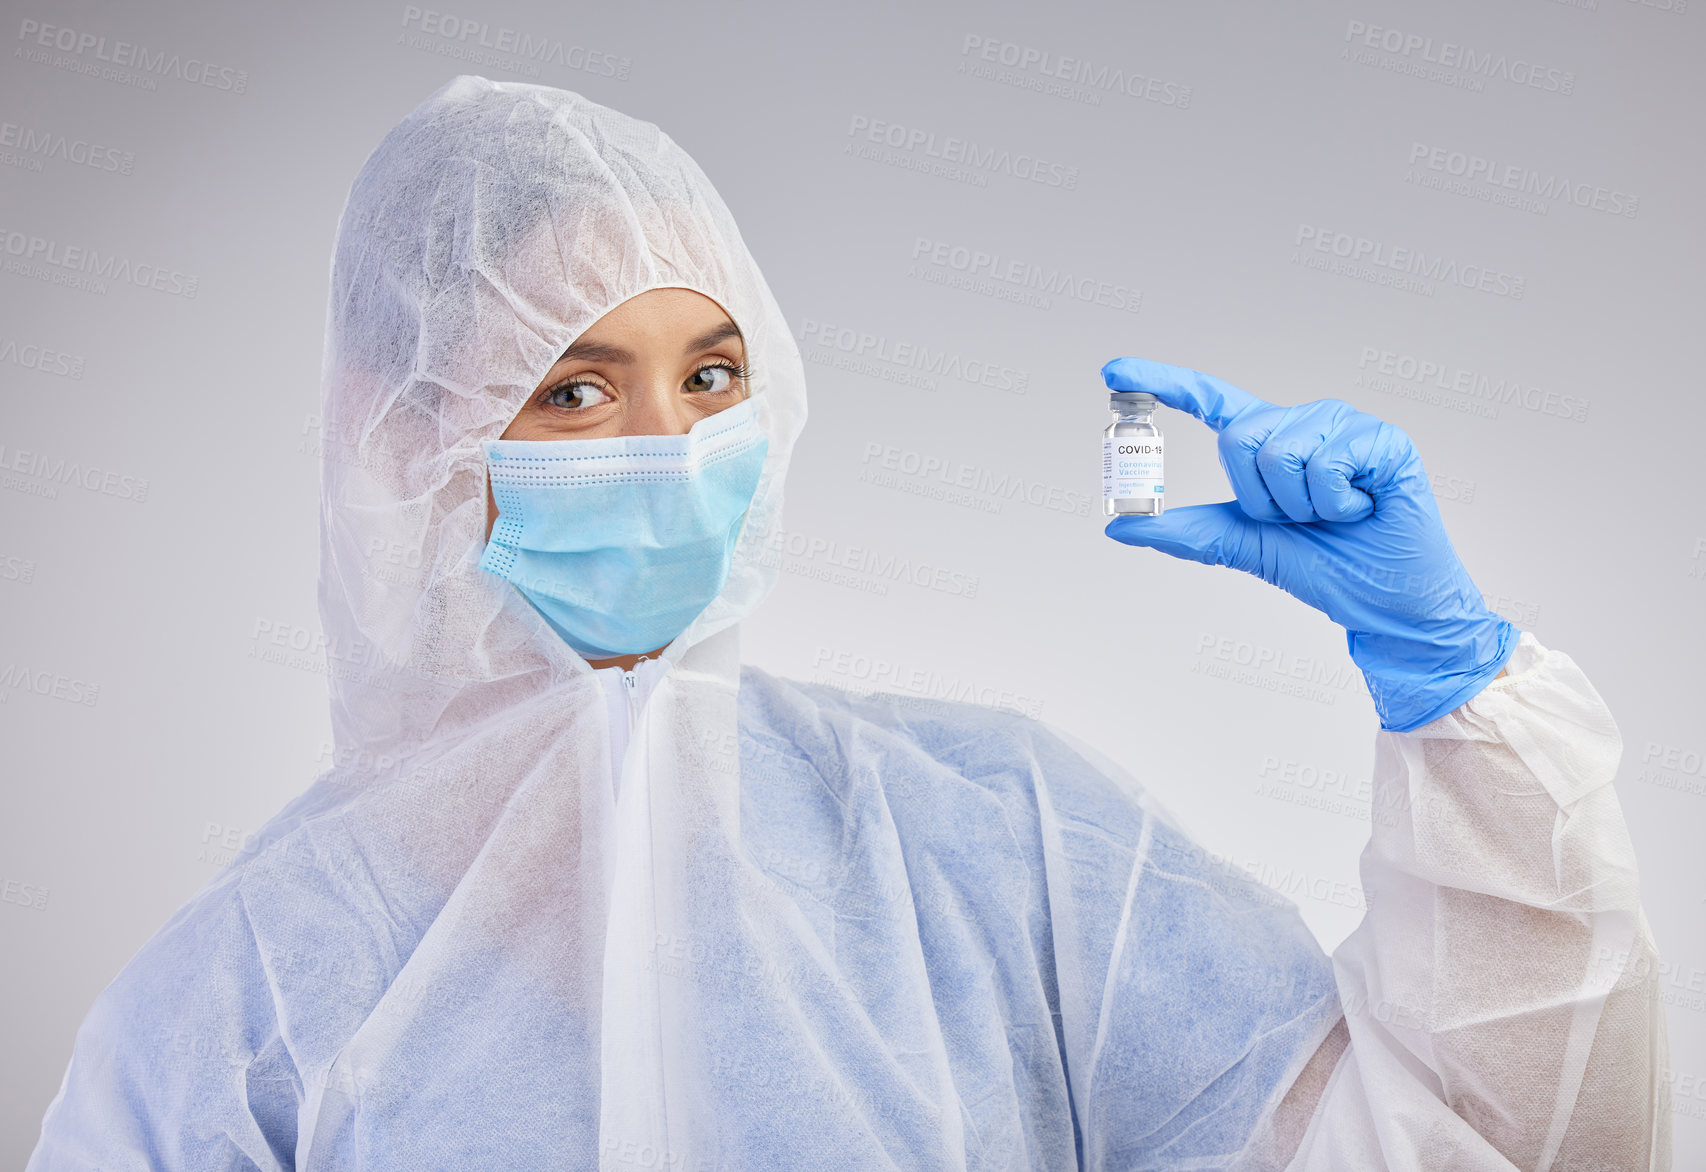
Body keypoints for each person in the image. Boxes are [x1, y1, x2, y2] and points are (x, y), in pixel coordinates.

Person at [27, 75, 1668, 1171]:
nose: (672, 447)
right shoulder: (250, 1001)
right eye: (578, 386)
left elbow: (1424, 1151)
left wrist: (1452, 707)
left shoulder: (988, 841)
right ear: (410, 441)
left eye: (711, 378)